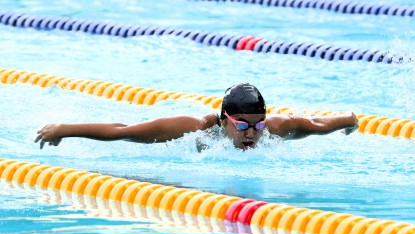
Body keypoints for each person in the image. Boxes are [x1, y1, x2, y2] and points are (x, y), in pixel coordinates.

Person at [35, 83, 359, 150]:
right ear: (223, 121)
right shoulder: (196, 130)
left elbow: (317, 125)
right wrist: (66, 128)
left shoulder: (275, 128)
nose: (252, 134)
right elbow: (126, 130)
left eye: (258, 125)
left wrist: (348, 120)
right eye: (242, 126)